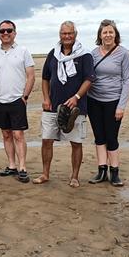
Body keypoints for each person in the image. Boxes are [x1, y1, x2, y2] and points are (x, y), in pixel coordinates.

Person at [34, 21, 95, 186]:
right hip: (52, 106)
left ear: (75, 34)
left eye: (70, 33)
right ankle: (45, 174)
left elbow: (89, 79)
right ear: (59, 35)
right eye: (63, 33)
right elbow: (45, 78)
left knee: (76, 142)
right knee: (47, 140)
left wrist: (76, 97)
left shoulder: (85, 55)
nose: (67, 36)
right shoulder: (53, 54)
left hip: (76, 107)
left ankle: (74, 177)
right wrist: (46, 98)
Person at [0, 20, 35, 183]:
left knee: (18, 134)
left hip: (17, 100)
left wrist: (25, 96)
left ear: (15, 32)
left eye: (9, 30)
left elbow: (31, 76)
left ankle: (22, 167)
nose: (5, 34)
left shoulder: (23, 51)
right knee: (6, 134)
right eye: (2, 31)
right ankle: (12, 165)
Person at [87, 19, 129, 186]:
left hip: (113, 101)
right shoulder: (93, 54)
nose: (107, 35)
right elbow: (88, 76)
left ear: (116, 34)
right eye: (104, 32)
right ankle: (101, 170)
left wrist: (121, 106)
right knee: (99, 137)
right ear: (100, 35)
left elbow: (127, 80)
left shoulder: (123, 53)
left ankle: (115, 172)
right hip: (94, 100)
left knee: (111, 137)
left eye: (110, 32)